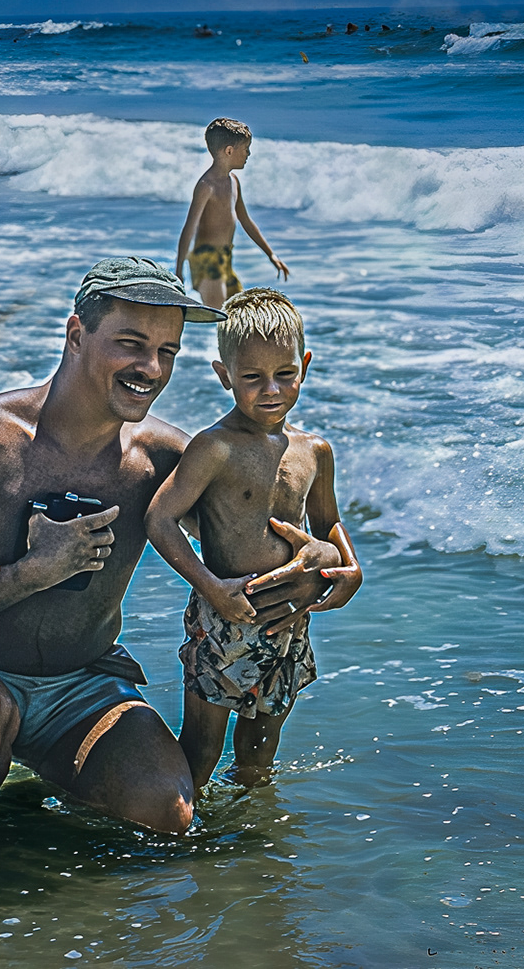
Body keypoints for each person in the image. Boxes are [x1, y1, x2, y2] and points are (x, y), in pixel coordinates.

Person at [0, 258, 335, 832]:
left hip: (87, 681)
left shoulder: (164, 458)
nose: (151, 368)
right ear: (76, 335)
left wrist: (329, 571)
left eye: (168, 351)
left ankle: (42, 775)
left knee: (167, 813)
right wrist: (29, 572)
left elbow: (267, 535)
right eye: (131, 343)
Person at [144, 289, 361, 790]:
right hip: (223, 617)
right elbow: (160, 518)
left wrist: (350, 567)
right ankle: (184, 842)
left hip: (289, 621)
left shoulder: (315, 451)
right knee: (201, 750)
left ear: (304, 365)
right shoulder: (215, 447)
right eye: (252, 378)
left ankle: (248, 851)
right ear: (224, 376)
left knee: (259, 753)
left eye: (285, 374)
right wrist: (211, 587)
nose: (271, 390)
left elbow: (328, 522)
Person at [175, 117, 289, 310]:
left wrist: (271, 254)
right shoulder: (206, 186)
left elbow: (245, 220)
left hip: (225, 259)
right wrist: (178, 271)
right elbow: (190, 228)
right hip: (206, 260)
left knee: (238, 314)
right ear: (229, 151)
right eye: (245, 148)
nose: (249, 153)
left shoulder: (234, 181)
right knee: (221, 317)